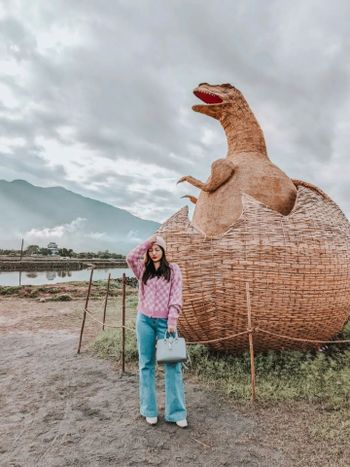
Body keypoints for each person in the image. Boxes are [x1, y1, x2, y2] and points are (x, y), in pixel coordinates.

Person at [126, 234, 188, 428]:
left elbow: (176, 295)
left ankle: (176, 413)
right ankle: (149, 410)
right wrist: (148, 241)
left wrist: (172, 320)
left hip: (165, 323)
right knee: (146, 364)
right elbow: (130, 257)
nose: (153, 253)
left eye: (157, 249)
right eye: (151, 250)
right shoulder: (142, 269)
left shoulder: (173, 270)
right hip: (144, 320)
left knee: (172, 365)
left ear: (164, 251)